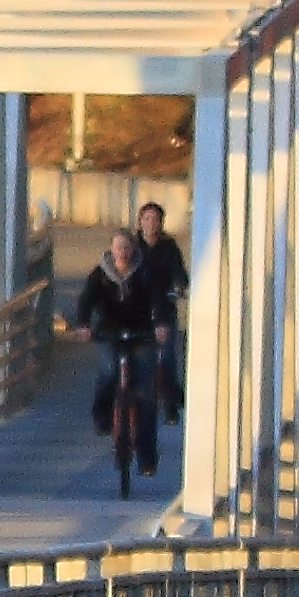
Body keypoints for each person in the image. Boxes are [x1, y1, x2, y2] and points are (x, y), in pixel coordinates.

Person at [71, 230, 168, 472]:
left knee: (145, 393)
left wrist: (160, 325)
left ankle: (147, 457)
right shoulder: (100, 274)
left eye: (126, 248)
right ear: (111, 250)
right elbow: (86, 300)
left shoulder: (145, 272)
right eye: (118, 248)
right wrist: (83, 324)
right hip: (109, 333)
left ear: (133, 249)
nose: (122, 253)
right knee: (109, 371)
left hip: (141, 334)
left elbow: (159, 300)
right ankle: (102, 415)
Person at [128, 201, 192, 418]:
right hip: (137, 308)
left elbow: (179, 273)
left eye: (155, 220)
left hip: (164, 307)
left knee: (167, 358)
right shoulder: (132, 246)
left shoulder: (169, 247)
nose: (151, 224)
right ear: (140, 221)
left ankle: (172, 403)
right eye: (147, 219)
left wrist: (179, 286)